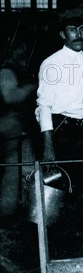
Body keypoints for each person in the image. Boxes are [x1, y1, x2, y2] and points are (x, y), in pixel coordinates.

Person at [35, 8, 83, 185]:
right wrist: (48, 145)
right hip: (63, 132)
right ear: (62, 34)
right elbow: (44, 105)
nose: (78, 35)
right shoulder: (52, 63)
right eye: (72, 30)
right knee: (62, 190)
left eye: (82, 29)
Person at [0, 42, 36, 219]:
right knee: (13, 167)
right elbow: (10, 96)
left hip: (8, 124)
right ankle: (8, 209)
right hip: (7, 125)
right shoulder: (6, 71)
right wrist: (30, 88)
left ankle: (9, 208)